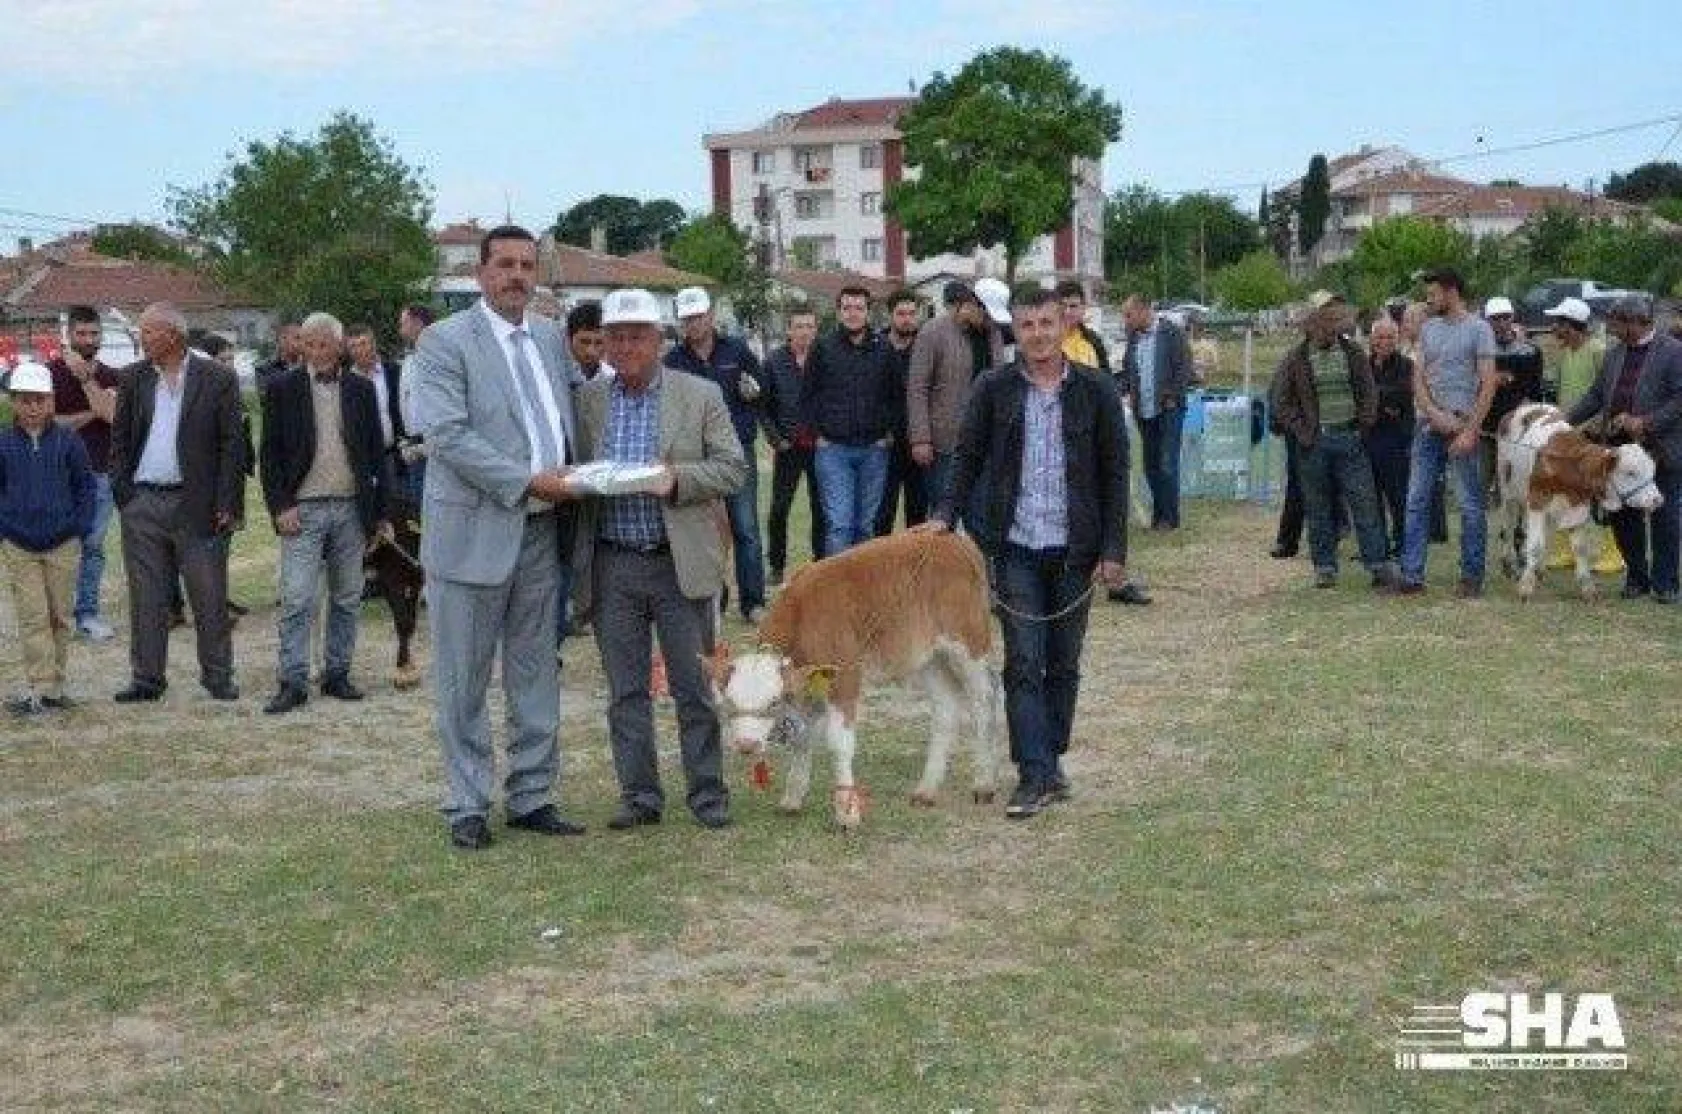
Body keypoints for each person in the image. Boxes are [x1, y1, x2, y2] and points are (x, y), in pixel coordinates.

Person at [409, 224, 585, 850]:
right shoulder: (442, 342)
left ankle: (533, 794)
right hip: (472, 534)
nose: (517, 275)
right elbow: (448, 437)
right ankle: (467, 802)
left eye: (527, 265)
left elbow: (569, 422)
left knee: (536, 671)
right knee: (464, 678)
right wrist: (529, 481)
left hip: (541, 535)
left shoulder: (547, 339)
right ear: (479, 272)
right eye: (505, 264)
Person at [926, 286, 1129, 820]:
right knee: (1023, 662)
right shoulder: (993, 388)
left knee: (1064, 664)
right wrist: (945, 513)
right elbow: (965, 458)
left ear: (1063, 324)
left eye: (1045, 323)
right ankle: (1033, 774)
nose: (1037, 334)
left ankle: (1051, 758)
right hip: (1013, 547)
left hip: (1075, 551)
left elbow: (1115, 475)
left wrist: (1113, 549)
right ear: (1012, 331)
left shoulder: (1097, 391)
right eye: (1026, 326)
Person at [569, 287, 746, 831]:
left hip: (678, 562)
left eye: (636, 336)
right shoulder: (588, 402)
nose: (625, 347)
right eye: (615, 338)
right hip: (612, 563)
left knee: (693, 688)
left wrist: (678, 481)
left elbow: (733, 468)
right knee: (625, 690)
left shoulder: (700, 396)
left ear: (659, 339)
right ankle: (640, 797)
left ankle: (707, 793)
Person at [109, 302, 245, 701]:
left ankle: (218, 676)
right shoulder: (133, 378)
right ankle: (147, 678)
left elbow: (231, 444)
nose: (142, 338)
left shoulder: (217, 378)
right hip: (143, 502)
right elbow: (120, 440)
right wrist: (125, 494)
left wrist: (228, 503)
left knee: (209, 595)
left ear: (173, 335)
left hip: (197, 503)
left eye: (148, 331)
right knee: (146, 597)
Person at [258, 312, 393, 714]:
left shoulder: (361, 390)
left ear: (339, 347)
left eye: (323, 344)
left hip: (352, 508)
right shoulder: (282, 389)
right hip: (303, 508)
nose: (316, 351)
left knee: (348, 596)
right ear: (301, 345)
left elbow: (375, 455)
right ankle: (293, 680)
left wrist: (381, 514)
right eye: (309, 343)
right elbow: (271, 455)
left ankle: (337, 673)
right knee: (298, 597)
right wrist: (281, 506)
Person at [1271, 301, 1398, 589]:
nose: (1333, 328)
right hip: (1314, 443)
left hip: (1350, 438)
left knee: (1365, 503)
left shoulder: (1353, 353)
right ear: (1312, 326)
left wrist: (1363, 424)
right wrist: (1302, 429)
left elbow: (1368, 391)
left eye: (1336, 322)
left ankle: (1377, 564)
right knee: (1318, 507)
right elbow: (1280, 401)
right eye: (1327, 323)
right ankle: (1325, 567)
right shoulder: (1296, 358)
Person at [1389, 268, 1498, 598]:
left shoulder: (1479, 329)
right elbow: (1418, 379)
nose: (1429, 299)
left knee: (1469, 504)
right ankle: (1411, 575)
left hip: (1465, 427)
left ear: (1452, 291)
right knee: (1416, 500)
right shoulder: (1428, 329)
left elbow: (1488, 383)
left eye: (1434, 293)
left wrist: (1470, 430)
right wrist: (1433, 414)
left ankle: (1471, 576)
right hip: (1428, 426)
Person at [1565, 296, 1682, 603]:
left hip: (1661, 449)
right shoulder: (1615, 354)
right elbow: (1596, 395)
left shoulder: (1673, 352)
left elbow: (1678, 401)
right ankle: (1637, 578)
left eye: (1617, 322)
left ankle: (1666, 583)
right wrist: (1565, 421)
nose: (1612, 328)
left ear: (1637, 322)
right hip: (1619, 450)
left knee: (1664, 515)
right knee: (1621, 514)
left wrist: (1646, 422)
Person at [664, 286, 766, 622]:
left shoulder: (736, 350)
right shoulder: (673, 362)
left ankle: (753, 602)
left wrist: (748, 417)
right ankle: (713, 597)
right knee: (704, 530)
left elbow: (760, 389)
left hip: (737, 453)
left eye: (699, 316)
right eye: (687, 318)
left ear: (710, 316)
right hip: (695, 460)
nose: (694, 323)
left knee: (746, 528)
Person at [0, 361, 96, 716]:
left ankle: (56, 685)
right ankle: (38, 687)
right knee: (33, 616)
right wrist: (5, 528)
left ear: (51, 402)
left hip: (62, 543)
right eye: (25, 401)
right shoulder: (4, 443)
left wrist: (80, 526)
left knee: (59, 616)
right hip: (19, 544)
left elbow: (86, 486)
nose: (33, 408)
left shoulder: (69, 442)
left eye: (39, 400)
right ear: (14, 402)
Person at [803, 285, 894, 556]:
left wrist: (886, 431)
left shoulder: (883, 348)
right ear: (838, 311)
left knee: (866, 526)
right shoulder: (822, 347)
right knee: (839, 525)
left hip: (873, 450)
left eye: (859, 308)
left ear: (868, 312)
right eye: (847, 308)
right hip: (833, 450)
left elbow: (895, 395)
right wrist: (818, 434)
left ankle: (863, 594)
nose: (853, 313)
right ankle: (838, 594)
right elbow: (808, 394)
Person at [48, 304, 121, 642]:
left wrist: (88, 381)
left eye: (94, 333)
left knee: (92, 546)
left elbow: (113, 418)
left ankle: (86, 615)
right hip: (57, 474)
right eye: (82, 333)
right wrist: (94, 410)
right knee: (58, 545)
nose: (88, 339)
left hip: (100, 473)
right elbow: (49, 424)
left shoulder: (110, 376)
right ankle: (55, 616)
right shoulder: (49, 374)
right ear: (69, 334)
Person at [907, 281, 1003, 514]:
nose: (990, 319)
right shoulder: (932, 332)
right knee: (944, 514)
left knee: (981, 517)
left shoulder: (994, 334)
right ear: (970, 304)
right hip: (945, 443)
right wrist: (921, 438)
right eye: (987, 313)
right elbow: (917, 386)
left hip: (984, 441)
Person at [1541, 296, 1619, 573]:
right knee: (1566, 491)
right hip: (1568, 435)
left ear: (1571, 325)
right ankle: (1567, 549)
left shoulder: (1599, 350)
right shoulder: (1564, 353)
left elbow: (1607, 396)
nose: (1553, 327)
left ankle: (1612, 552)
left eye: (1558, 323)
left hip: (1594, 437)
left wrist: (1594, 425)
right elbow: (1563, 395)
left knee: (1600, 490)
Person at [1118, 294, 1193, 530]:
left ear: (1143, 311)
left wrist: (1173, 396)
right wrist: (1127, 390)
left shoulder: (1172, 333)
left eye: (1128, 315)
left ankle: (1170, 518)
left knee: (1167, 461)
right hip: (1144, 409)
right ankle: (1158, 515)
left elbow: (1184, 367)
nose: (1125, 320)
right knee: (1150, 464)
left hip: (1169, 409)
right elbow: (1128, 368)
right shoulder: (1133, 338)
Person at [761, 304, 825, 581]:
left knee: (821, 507)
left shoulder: (825, 360)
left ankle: (821, 563)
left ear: (816, 329)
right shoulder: (774, 362)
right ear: (789, 330)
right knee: (779, 508)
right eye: (799, 326)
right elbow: (761, 406)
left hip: (820, 445)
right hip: (788, 446)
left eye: (810, 326)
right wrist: (775, 440)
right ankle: (776, 565)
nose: (805, 332)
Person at [874, 289, 927, 535]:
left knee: (918, 512)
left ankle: (914, 569)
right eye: (901, 313)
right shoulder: (875, 348)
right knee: (882, 511)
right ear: (890, 315)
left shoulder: (926, 348)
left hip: (919, 441)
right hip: (885, 443)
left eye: (912, 313)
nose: (907, 319)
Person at [1365, 316, 1414, 558]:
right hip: (1367, 440)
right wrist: (1383, 402)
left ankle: (1403, 543)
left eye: (1390, 337)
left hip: (1395, 441)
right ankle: (1377, 546)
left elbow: (1403, 395)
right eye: (1380, 337)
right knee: (1371, 499)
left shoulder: (1406, 366)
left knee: (1398, 497)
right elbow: (1359, 395)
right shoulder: (1363, 366)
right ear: (1372, 340)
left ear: (1397, 339)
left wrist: (1375, 398)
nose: (1384, 341)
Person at [564, 301, 611, 382]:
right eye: (584, 342)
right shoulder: (556, 376)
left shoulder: (612, 379)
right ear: (569, 338)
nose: (591, 351)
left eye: (599, 343)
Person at [256, 318, 303, 396]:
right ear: (282, 339)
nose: (301, 342)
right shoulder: (263, 370)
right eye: (297, 338)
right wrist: (296, 369)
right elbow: (267, 400)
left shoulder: (309, 365)